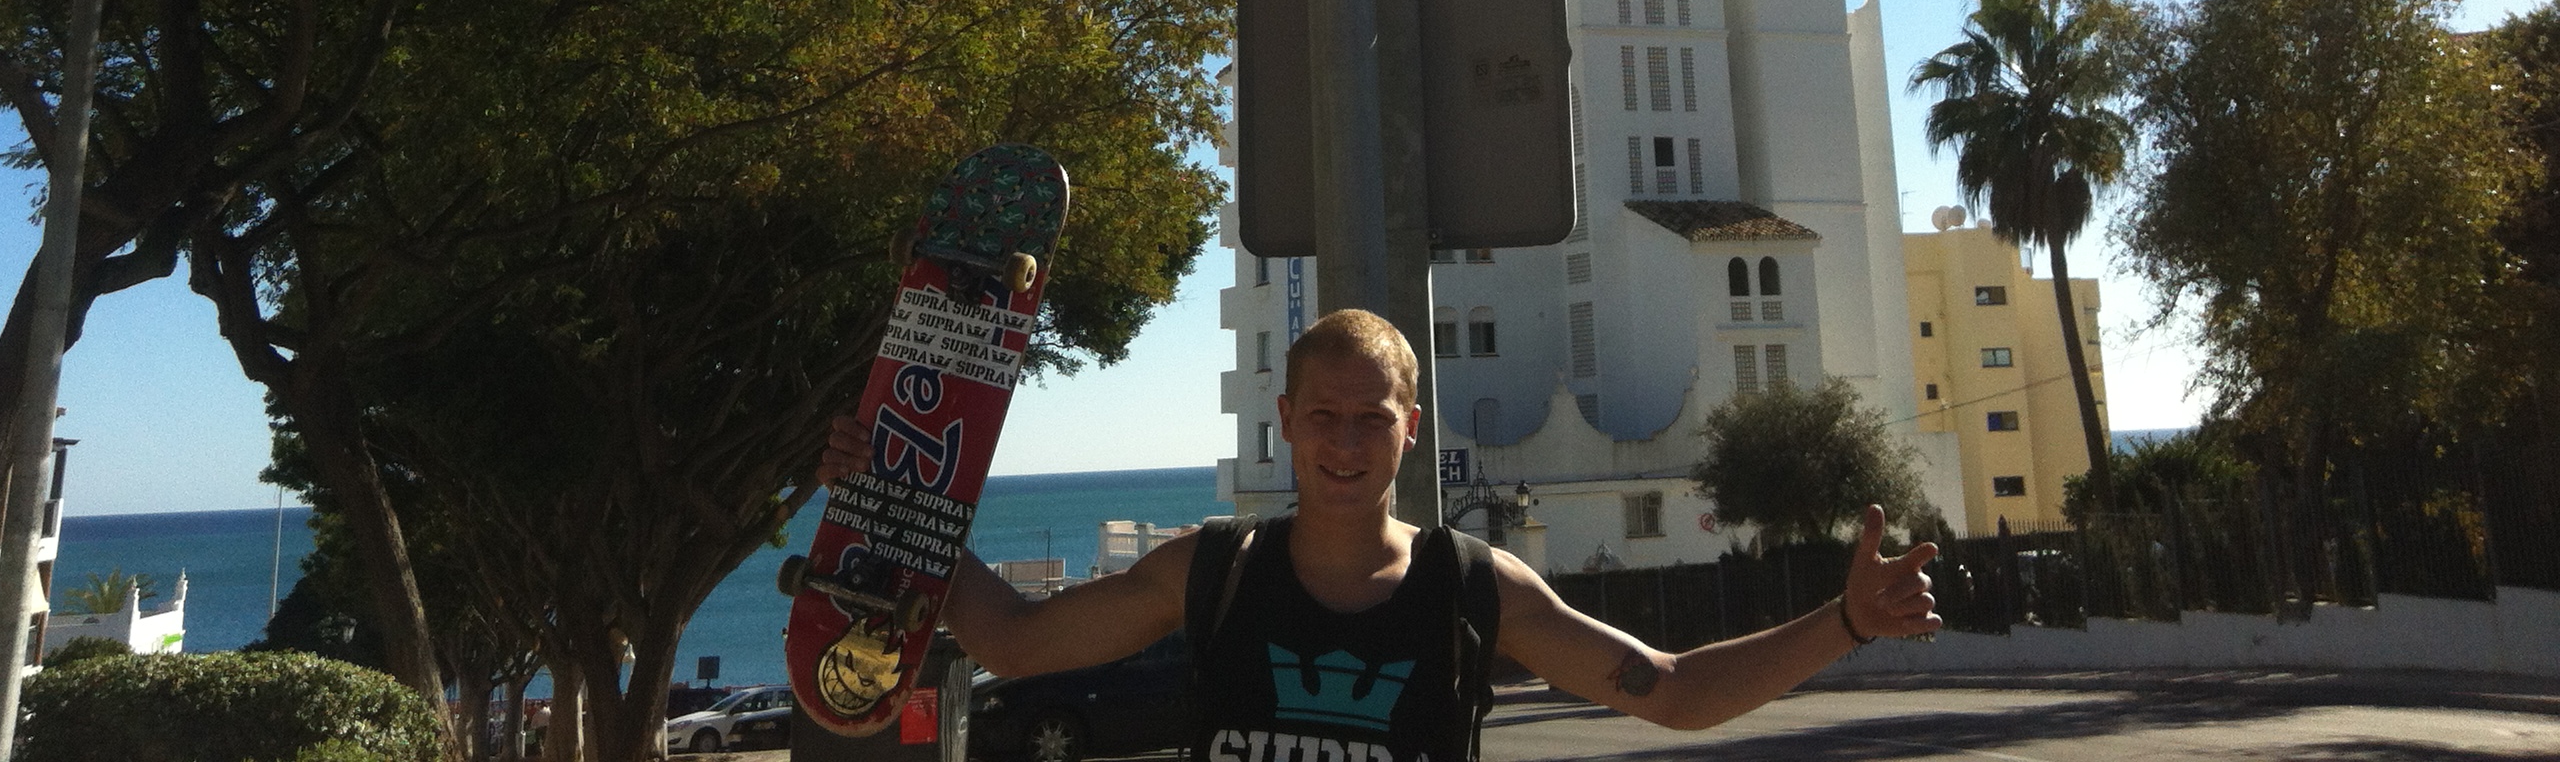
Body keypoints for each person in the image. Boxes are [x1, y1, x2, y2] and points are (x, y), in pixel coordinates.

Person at [818, 308, 1943, 758]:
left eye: (1371, 417)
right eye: (1324, 416)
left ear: (1410, 430)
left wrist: (1845, 620)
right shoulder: (1209, 570)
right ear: (1286, 425)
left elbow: (1673, 689)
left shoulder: (1472, 583)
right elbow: (1014, 642)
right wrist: (891, 507)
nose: (1345, 441)